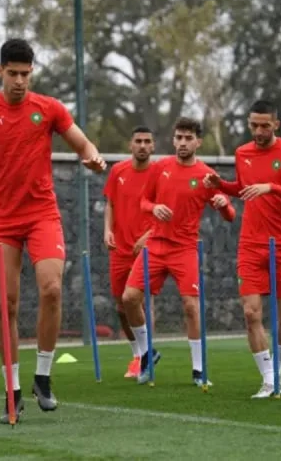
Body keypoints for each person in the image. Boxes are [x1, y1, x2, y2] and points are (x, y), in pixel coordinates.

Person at [0, 38, 106, 423]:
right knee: (7, 304)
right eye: (12, 74)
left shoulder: (47, 109)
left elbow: (82, 142)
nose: (19, 81)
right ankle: (12, 391)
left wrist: (92, 157)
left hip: (42, 213)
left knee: (51, 288)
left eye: (26, 74)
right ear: (0, 72)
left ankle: (42, 376)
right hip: (1, 220)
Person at [204, 100, 281, 398]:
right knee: (251, 313)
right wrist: (221, 184)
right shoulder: (242, 153)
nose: (259, 130)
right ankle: (268, 379)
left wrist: (272, 187)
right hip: (250, 244)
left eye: (265, 125)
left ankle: (276, 369)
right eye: (254, 125)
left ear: (276, 124)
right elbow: (243, 188)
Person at [121, 117, 236, 386]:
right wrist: (154, 209)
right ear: (173, 140)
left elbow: (230, 215)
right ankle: (147, 354)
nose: (183, 143)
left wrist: (221, 203)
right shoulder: (160, 167)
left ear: (198, 142)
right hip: (156, 245)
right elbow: (144, 201)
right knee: (129, 298)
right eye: (179, 138)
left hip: (184, 249)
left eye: (188, 138)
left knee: (190, 307)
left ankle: (198, 370)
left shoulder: (206, 175)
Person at [103, 126, 156, 378]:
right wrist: (107, 231)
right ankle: (137, 354)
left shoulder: (160, 174)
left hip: (146, 249)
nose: (143, 145)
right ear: (130, 145)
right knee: (120, 305)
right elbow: (110, 204)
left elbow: (166, 210)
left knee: (135, 300)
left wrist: (149, 236)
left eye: (147, 141)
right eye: (139, 141)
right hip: (119, 248)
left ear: (153, 146)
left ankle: (147, 355)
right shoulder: (118, 171)